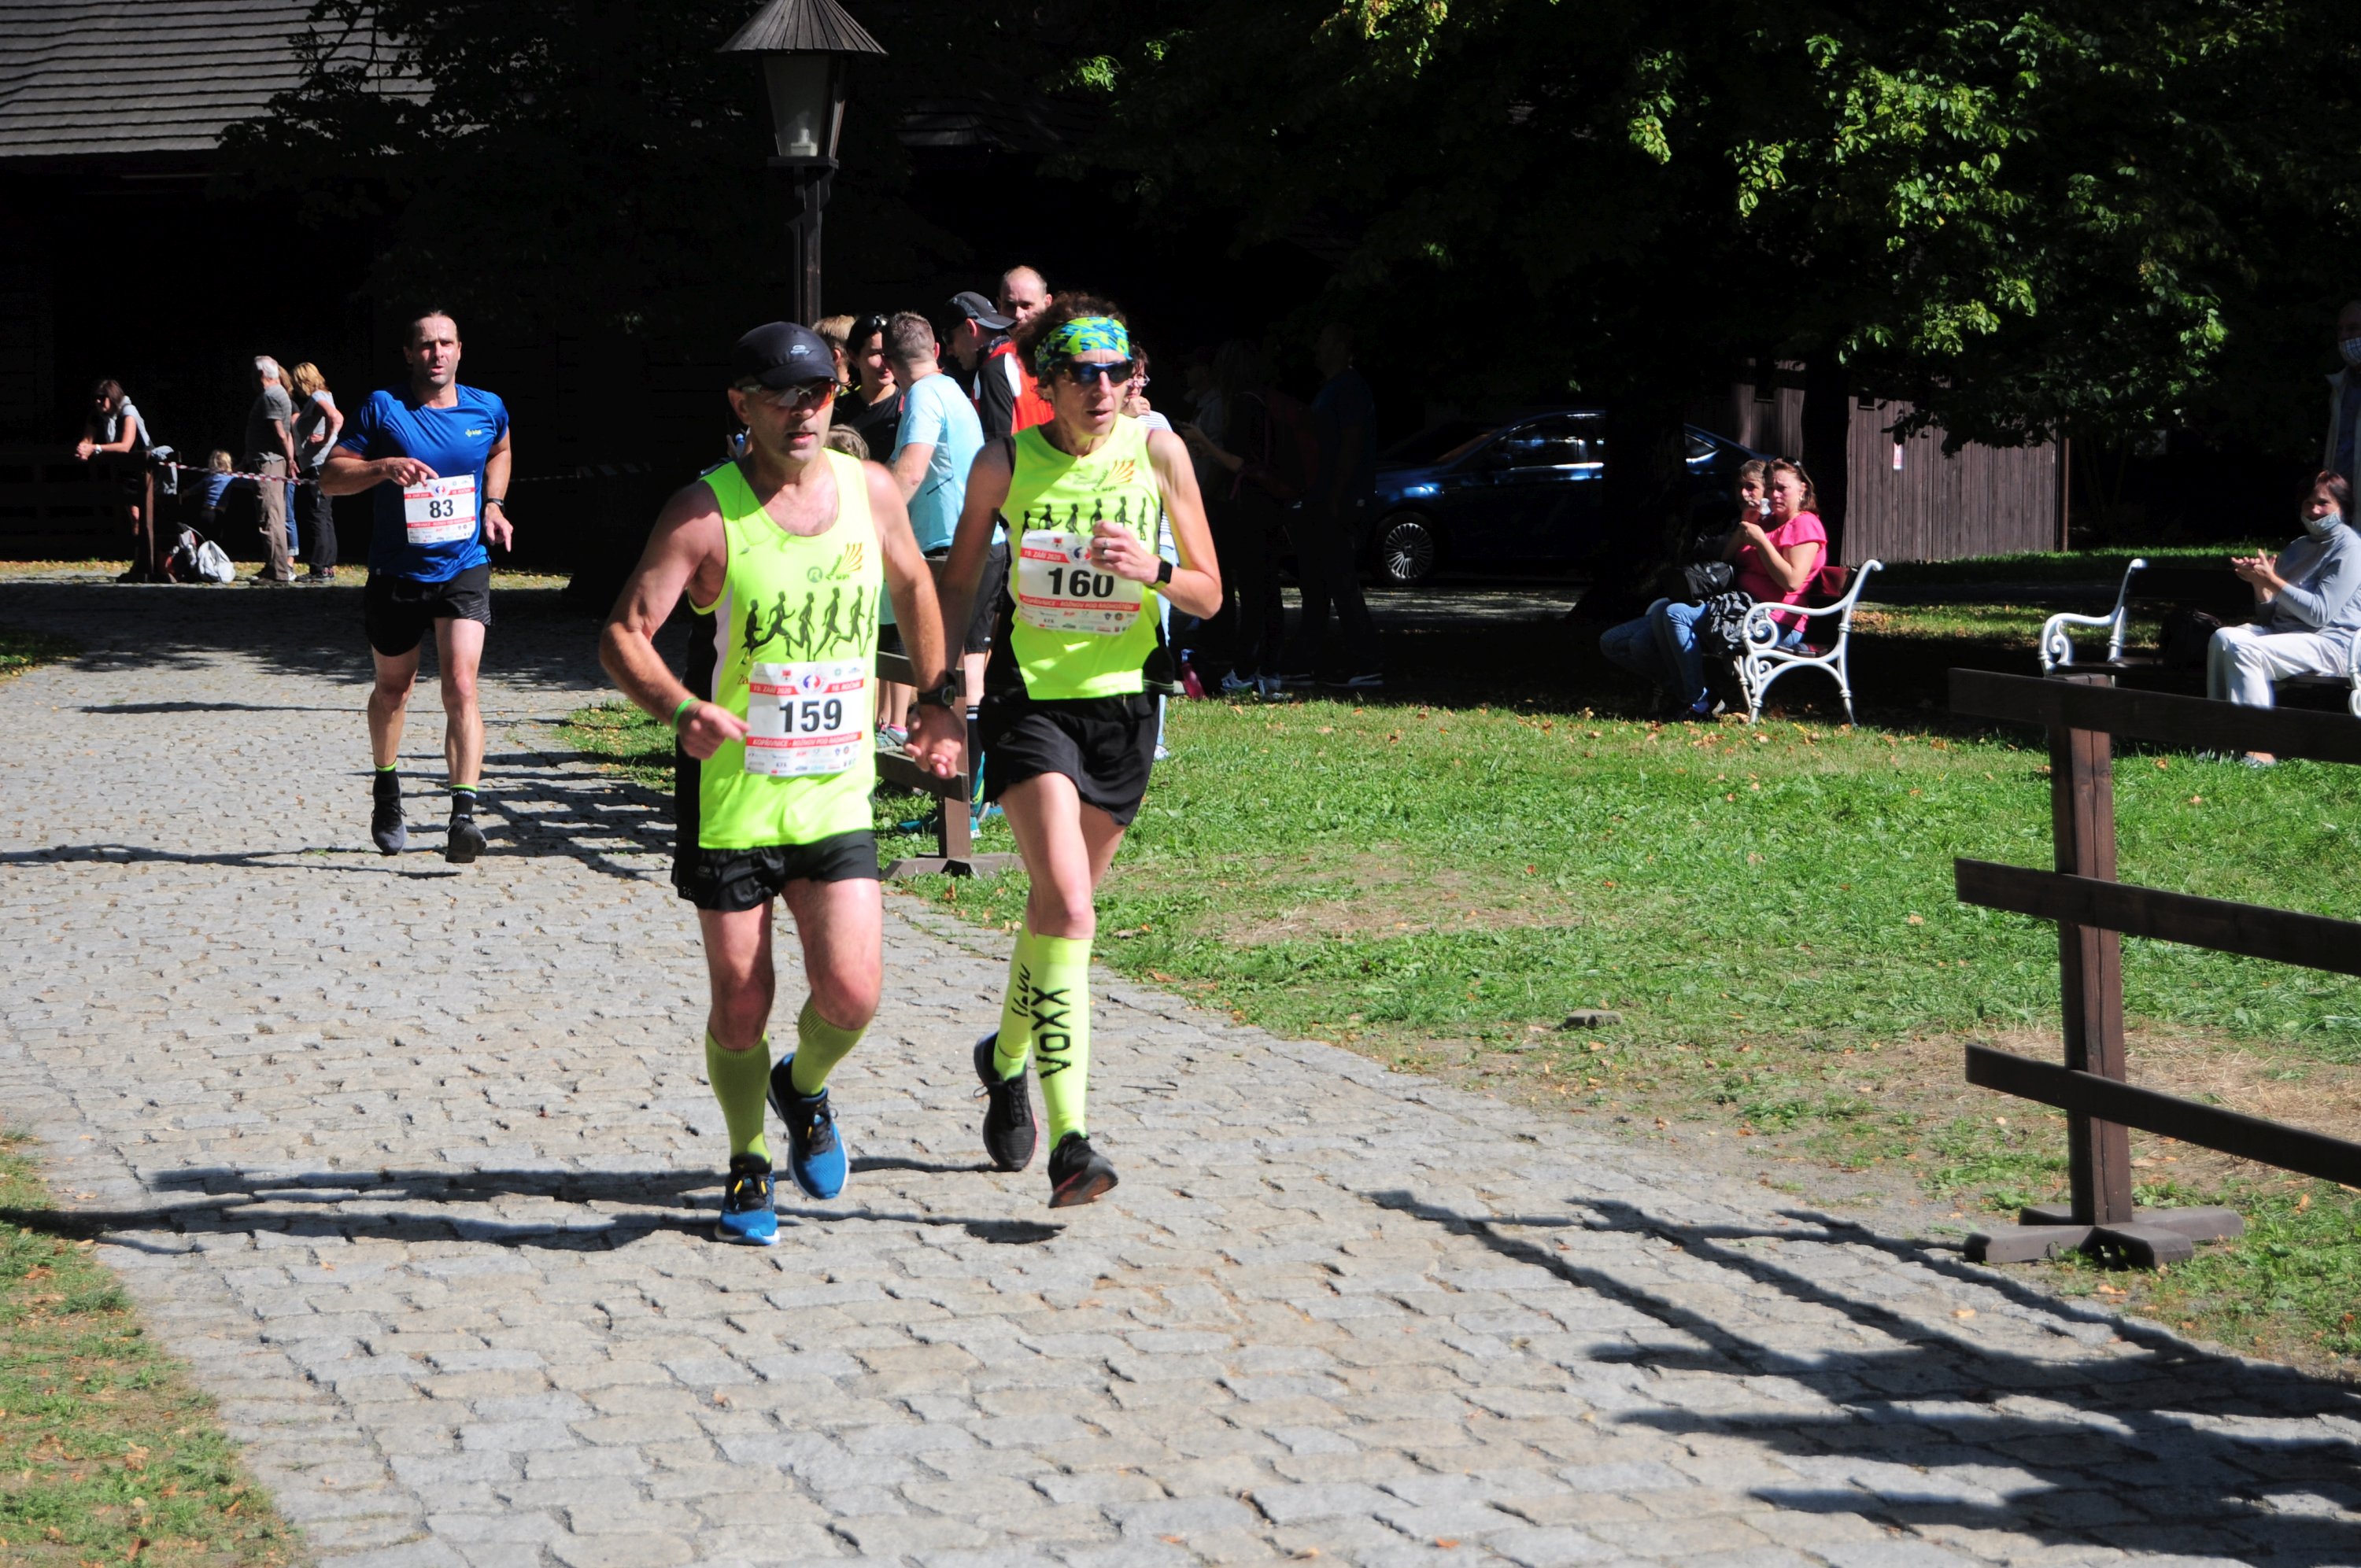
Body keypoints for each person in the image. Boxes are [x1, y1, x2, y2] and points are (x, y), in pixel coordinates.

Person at [598, 321, 963, 1244]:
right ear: (741, 404)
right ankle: (749, 1157)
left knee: (853, 992)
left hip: (834, 792)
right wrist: (681, 709)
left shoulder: (868, 490)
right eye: (782, 396)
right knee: (741, 1002)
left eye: (819, 394)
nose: (803, 412)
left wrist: (938, 700)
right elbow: (623, 634)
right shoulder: (705, 513)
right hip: (735, 797)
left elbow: (916, 586)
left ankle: (801, 1086)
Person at [937, 294, 1221, 1206]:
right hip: (1031, 704)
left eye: (1117, 371)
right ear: (1047, 382)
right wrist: (944, 691)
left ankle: (1004, 1055)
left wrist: (1154, 570)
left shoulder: (1160, 453)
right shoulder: (1005, 461)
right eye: (1082, 374)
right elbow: (957, 583)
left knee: (1057, 912)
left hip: (1126, 710)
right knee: (1068, 906)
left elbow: (1211, 592)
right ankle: (1072, 1142)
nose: (1103, 389)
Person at [320, 310, 514, 863]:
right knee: (393, 692)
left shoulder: (487, 407)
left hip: (464, 565)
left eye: (446, 343)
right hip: (396, 573)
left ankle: (463, 816)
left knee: (462, 686)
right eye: (426, 345)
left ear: (460, 350)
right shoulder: (383, 407)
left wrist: (494, 503)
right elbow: (330, 478)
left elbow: (501, 450)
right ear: (409, 353)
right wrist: (382, 468)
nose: (437, 353)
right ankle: (387, 788)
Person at [1646, 458, 1826, 719]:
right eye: (1770, 488)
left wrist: (1761, 542)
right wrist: (1744, 527)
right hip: (1742, 607)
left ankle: (1697, 701)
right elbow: (1728, 560)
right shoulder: (1768, 522)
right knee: (1665, 612)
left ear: (1803, 490)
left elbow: (1791, 581)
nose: (1774, 494)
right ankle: (1691, 696)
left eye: (1782, 488)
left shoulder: (1803, 524)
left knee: (1676, 614)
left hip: (1775, 621)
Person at [2208, 472, 2361, 765]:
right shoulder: (2298, 547)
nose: (2314, 510)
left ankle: (2260, 749)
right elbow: (2270, 617)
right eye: (2308, 503)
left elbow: (2318, 614)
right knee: (2223, 637)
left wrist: (2274, 581)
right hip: (2288, 637)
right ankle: (2220, 740)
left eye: (2323, 503)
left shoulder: (2351, 549)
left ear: (2342, 506)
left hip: (2331, 644)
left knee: (2246, 650)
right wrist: (2261, 586)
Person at [885, 311, 989, 732]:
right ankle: (972, 767)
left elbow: (911, 471)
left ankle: (962, 767)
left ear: (889, 364)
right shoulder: (950, 389)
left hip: (951, 548)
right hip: (978, 540)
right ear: (937, 350)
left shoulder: (923, 396)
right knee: (969, 666)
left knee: (948, 670)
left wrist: (872, 525)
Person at [1599, 459, 1768, 699]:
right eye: (1739, 486)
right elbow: (1704, 553)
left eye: (1751, 487)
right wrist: (1742, 525)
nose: (1743, 493)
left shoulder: (1771, 530)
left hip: (1727, 612)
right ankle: (1683, 690)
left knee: (1643, 640)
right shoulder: (1728, 521)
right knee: (1611, 642)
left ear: (1767, 490)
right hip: (1698, 601)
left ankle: (1695, 698)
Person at [1280, 323, 1383, 689]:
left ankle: (1367, 662)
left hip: (1334, 500)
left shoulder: (1350, 388)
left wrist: (1337, 497)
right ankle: (1305, 663)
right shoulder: (1333, 388)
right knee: (1317, 582)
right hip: (1321, 498)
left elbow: (1351, 446)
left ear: (1342, 346)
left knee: (1339, 581)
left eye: (1324, 340)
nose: (1317, 347)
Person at [1184, 341, 1289, 697]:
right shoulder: (1263, 400)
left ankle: (1245, 670)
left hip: (1250, 507)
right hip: (1270, 504)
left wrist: (1205, 443)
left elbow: (1239, 463)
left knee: (1254, 592)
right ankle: (1270, 670)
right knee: (1268, 591)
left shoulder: (1243, 404)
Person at [75, 379, 153, 581]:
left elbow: (125, 445)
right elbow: (88, 439)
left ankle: (146, 560)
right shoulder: (97, 414)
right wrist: (83, 449)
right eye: (96, 398)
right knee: (133, 516)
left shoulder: (128, 411)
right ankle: (139, 560)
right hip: (123, 470)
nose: (99, 402)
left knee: (142, 516)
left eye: (103, 398)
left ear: (113, 397)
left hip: (143, 468)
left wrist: (95, 449)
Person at [245, 357, 301, 585]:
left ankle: (278, 572)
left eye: (253, 374)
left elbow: (280, 432)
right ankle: (273, 566)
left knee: (271, 517)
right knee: (272, 515)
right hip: (271, 461)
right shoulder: (278, 394)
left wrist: (290, 460)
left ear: (261, 375)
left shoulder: (271, 395)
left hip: (269, 463)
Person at [289, 362, 345, 581]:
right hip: (322, 464)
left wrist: (325, 440)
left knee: (318, 514)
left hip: (319, 465)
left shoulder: (317, 397)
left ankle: (320, 568)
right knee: (324, 514)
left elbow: (336, 417)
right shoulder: (325, 395)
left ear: (303, 380)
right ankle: (327, 566)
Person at [945, 290, 1023, 441]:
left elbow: (1000, 448)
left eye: (948, 338)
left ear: (970, 328)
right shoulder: (1027, 357)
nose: (949, 350)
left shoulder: (993, 372)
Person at [994, 266, 1056, 433]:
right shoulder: (997, 362)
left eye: (1026, 305)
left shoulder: (1069, 355)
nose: (1018, 315)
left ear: (1047, 303)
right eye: (1010, 305)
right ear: (999, 305)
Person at [841, 312, 904, 456]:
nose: (886, 363)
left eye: (889, 353)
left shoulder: (908, 408)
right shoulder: (838, 409)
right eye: (876, 353)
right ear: (853, 357)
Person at [2327, 300, 2361, 489]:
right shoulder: (2340, 386)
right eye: (2340, 330)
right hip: (2342, 497)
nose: (2344, 336)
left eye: (2353, 329)